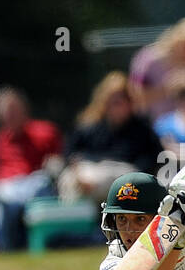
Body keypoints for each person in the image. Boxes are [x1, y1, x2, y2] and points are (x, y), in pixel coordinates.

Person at [0, 85, 62, 250]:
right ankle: (5, 248)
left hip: (36, 183)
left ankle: (43, 243)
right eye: (7, 110)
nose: (11, 114)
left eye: (15, 109)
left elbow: (58, 161)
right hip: (5, 190)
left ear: (25, 109)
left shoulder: (45, 132)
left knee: (41, 184)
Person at [59, 71, 163, 203]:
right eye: (112, 101)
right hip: (88, 170)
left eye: (120, 100)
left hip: (122, 174)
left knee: (111, 180)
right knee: (68, 178)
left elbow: (152, 159)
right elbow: (70, 153)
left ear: (130, 102)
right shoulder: (90, 126)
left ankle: (88, 189)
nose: (115, 105)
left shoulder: (142, 129)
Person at [129, 16, 185, 119]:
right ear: (178, 39)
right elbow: (135, 97)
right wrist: (167, 88)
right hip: (152, 123)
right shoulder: (150, 60)